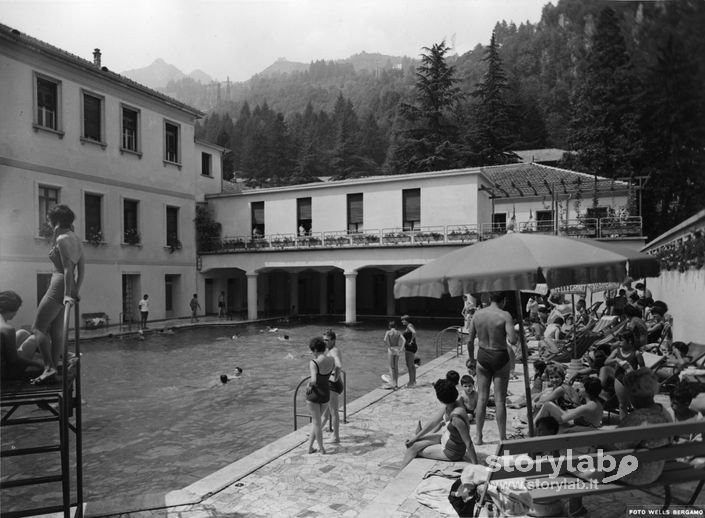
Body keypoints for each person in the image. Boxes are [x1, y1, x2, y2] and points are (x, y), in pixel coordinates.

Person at [27, 204, 85, 384]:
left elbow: (66, 268)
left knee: (37, 328)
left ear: (56, 221)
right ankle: (55, 364)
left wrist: (67, 294)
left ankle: (49, 367)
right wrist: (75, 291)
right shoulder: (75, 238)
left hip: (59, 283)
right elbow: (80, 268)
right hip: (68, 284)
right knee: (56, 330)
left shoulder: (61, 238)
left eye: (50, 220)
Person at [466, 291, 517, 444]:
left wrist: (471, 358)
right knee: (500, 401)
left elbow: (469, 341)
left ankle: (478, 437)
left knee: (482, 398)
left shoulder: (477, 315)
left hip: (483, 355)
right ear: (504, 300)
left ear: (489, 299)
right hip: (499, 355)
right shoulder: (505, 315)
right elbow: (513, 340)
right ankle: (503, 438)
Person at [402, 379, 478, 468]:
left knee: (412, 449)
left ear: (440, 399)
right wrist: (415, 438)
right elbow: (433, 422)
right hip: (445, 439)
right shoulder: (451, 404)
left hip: (451, 452)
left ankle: (399, 474)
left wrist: (476, 466)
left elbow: (468, 443)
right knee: (414, 442)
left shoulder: (456, 418)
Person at [0, 291, 44, 379]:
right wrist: (37, 364)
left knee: (22, 333)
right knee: (34, 339)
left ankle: (57, 354)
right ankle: (53, 359)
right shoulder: (7, 329)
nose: (16, 314)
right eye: (16, 310)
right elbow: (14, 361)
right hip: (5, 373)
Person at [533, 377, 603, 430]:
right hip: (587, 432)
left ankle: (532, 430)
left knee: (548, 406)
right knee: (549, 406)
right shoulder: (597, 404)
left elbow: (560, 420)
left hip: (579, 437)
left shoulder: (586, 407)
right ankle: (534, 427)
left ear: (586, 390)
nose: (579, 389)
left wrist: (552, 412)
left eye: (581, 387)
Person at [603, 333, 645, 419]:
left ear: (629, 341)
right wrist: (616, 360)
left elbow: (643, 369)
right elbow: (606, 362)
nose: (619, 342)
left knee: (637, 404)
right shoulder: (617, 351)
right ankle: (623, 426)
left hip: (632, 380)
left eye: (622, 340)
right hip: (620, 379)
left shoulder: (636, 353)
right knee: (622, 405)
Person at [305, 336, 335, 454]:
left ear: (316, 350)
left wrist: (308, 385)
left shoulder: (314, 362)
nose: (312, 353)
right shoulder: (331, 360)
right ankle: (310, 447)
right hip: (325, 394)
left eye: (312, 351)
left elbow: (313, 380)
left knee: (316, 423)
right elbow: (334, 373)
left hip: (314, 395)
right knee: (316, 423)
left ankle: (321, 448)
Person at [322, 329, 343, 443]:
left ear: (333, 340)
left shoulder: (333, 351)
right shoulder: (332, 350)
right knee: (325, 412)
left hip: (332, 385)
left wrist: (334, 377)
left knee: (333, 411)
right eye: (323, 340)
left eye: (327, 340)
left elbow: (339, 365)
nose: (324, 342)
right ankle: (316, 431)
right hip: (333, 384)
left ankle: (336, 436)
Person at [383, 320, 405, 389]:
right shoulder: (398, 332)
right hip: (397, 349)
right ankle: (396, 384)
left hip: (391, 349)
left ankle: (393, 384)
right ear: (396, 326)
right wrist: (401, 348)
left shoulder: (388, 332)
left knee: (391, 367)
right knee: (396, 367)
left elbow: (384, 340)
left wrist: (389, 347)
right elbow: (404, 340)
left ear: (389, 326)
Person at [400, 315, 418, 387]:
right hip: (413, 347)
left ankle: (411, 383)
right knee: (412, 365)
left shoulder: (408, 326)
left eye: (403, 320)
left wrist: (411, 341)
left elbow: (414, 332)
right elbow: (413, 333)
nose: (402, 321)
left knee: (409, 365)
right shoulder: (411, 325)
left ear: (406, 320)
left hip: (410, 347)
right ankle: (413, 381)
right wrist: (412, 340)